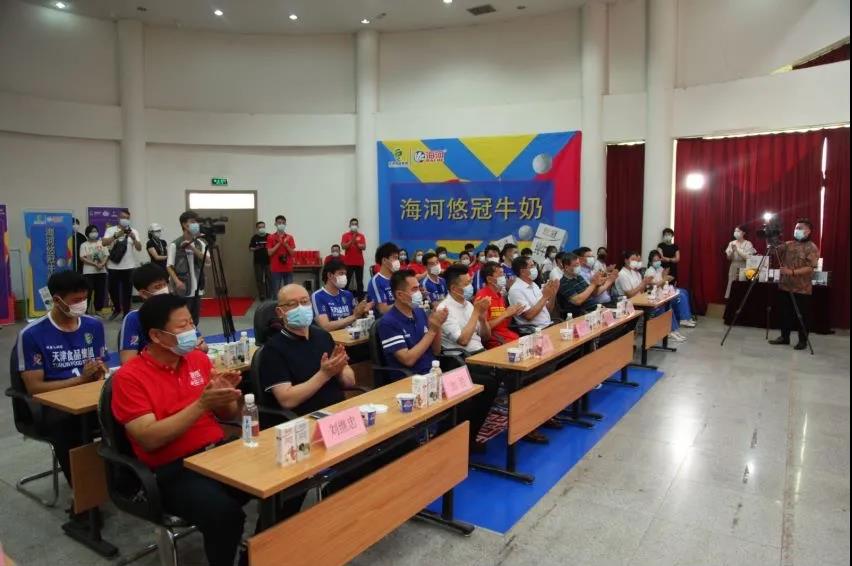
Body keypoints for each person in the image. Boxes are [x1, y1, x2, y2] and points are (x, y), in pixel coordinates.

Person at [110, 294, 248, 566]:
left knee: (281, 482)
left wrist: (226, 397)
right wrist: (201, 404)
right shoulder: (129, 377)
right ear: (156, 336)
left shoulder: (198, 360)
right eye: (182, 326)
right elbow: (149, 438)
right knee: (225, 514)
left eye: (192, 324)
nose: (191, 332)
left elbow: (229, 415)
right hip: (172, 469)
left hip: (215, 454)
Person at [17, 270, 108, 489]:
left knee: (125, 418)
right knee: (69, 430)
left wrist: (99, 371)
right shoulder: (32, 334)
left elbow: (102, 365)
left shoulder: (93, 325)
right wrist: (81, 380)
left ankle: (121, 482)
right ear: (57, 300)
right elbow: (34, 387)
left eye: (85, 298)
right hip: (54, 407)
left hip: (90, 399)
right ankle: (85, 495)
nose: (82, 304)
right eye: (76, 300)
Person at [437, 265, 500, 448]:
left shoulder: (470, 304)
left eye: (470, 281)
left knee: (507, 370)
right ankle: (464, 437)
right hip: (459, 360)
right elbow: (463, 340)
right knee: (490, 382)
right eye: (466, 283)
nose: (471, 286)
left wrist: (482, 319)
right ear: (454, 288)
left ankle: (472, 433)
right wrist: (476, 313)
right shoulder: (444, 309)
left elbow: (485, 336)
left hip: (479, 354)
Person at [120, 262, 208, 362]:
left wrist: (198, 346)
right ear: (144, 293)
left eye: (165, 284)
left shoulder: (177, 313)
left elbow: (203, 347)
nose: (164, 289)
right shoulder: (134, 318)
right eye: (158, 287)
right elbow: (128, 360)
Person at [376, 270, 447, 380]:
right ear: (400, 295)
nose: (419, 293)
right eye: (414, 289)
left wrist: (438, 324)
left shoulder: (420, 312)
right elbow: (408, 360)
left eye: (419, 288)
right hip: (409, 379)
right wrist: (432, 331)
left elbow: (436, 351)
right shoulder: (388, 322)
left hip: (432, 373)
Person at [770, 219, 819, 350]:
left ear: (808, 231)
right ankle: (784, 337)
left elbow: (810, 268)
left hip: (802, 288)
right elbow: (773, 251)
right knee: (785, 314)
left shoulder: (812, 247)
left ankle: (802, 341)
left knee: (802, 316)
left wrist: (791, 272)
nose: (796, 230)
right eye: (796, 227)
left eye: (800, 228)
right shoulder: (788, 244)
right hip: (785, 286)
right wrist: (771, 238)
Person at [616, 251, 686, 343]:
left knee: (667, 306)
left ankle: (672, 330)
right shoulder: (622, 274)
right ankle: (667, 331)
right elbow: (630, 294)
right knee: (661, 308)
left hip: (639, 300)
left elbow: (641, 291)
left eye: (637, 260)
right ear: (625, 260)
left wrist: (645, 284)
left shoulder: (636, 273)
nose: (636, 262)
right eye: (633, 259)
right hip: (628, 303)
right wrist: (644, 283)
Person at [167, 211, 208, 326]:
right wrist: (177, 282)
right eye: (193, 222)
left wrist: (192, 248)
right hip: (183, 287)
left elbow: (208, 261)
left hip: (198, 287)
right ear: (184, 225)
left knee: (195, 320)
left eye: (197, 222)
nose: (196, 224)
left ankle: (194, 336)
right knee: (182, 320)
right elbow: (169, 266)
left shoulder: (201, 243)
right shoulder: (175, 244)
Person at [311, 259, 374, 331]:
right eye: (341, 273)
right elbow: (325, 326)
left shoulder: (348, 294)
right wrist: (354, 316)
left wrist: (363, 311)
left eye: (345, 274)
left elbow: (356, 315)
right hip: (332, 336)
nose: (344, 277)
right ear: (330, 275)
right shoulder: (318, 296)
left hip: (350, 334)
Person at [102, 208, 142, 320]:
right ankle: (117, 308)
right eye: (123, 217)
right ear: (118, 218)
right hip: (113, 266)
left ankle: (126, 313)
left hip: (129, 267)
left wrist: (134, 238)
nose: (125, 220)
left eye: (127, 218)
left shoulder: (134, 231)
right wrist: (116, 235)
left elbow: (139, 248)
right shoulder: (110, 230)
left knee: (127, 291)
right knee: (112, 289)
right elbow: (104, 243)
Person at [474, 262, 524, 348]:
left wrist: (512, 313)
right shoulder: (483, 297)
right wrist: (505, 314)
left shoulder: (499, 295)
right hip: (495, 340)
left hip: (507, 335)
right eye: (500, 274)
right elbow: (484, 327)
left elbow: (504, 323)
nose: (504, 277)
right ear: (489, 279)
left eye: (503, 273)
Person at [646, 250, 696, 328]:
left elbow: (663, 282)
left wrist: (666, 278)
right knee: (681, 295)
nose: (657, 262)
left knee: (684, 291)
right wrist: (665, 279)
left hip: (663, 291)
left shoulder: (660, 268)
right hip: (656, 294)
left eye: (658, 260)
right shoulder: (649, 272)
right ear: (650, 262)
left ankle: (687, 317)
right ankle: (683, 319)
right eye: (655, 261)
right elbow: (653, 286)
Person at [508, 256, 559, 329]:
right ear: (522, 271)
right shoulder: (516, 290)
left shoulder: (534, 285)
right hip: (534, 330)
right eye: (531, 266)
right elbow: (529, 316)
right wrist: (545, 297)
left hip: (547, 325)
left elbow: (548, 310)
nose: (535, 268)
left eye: (534, 265)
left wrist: (553, 293)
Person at [557, 253, 610, 318]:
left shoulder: (579, 277)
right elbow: (578, 301)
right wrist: (593, 284)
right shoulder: (564, 283)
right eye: (576, 265)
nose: (578, 267)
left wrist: (597, 284)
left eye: (579, 264)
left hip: (595, 309)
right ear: (566, 268)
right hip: (582, 314)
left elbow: (593, 293)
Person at [79, 224, 108, 314]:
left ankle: (98, 310)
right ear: (87, 233)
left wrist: (102, 264)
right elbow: (82, 258)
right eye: (92, 231)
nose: (94, 233)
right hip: (88, 272)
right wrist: (95, 264)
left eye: (95, 231)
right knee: (88, 292)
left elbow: (106, 255)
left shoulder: (102, 243)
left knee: (100, 292)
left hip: (101, 271)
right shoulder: (84, 245)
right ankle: (85, 312)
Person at [367, 242, 401, 315]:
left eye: (398, 258)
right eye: (394, 258)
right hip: (385, 319)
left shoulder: (399, 278)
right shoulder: (376, 281)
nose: (397, 261)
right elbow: (383, 310)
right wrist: (403, 303)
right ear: (384, 260)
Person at [725, 225, 757, 298]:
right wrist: (731, 252)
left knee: (742, 285)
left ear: (743, 233)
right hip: (733, 266)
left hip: (744, 266)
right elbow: (728, 258)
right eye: (735, 231)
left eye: (738, 231)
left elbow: (748, 257)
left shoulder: (748, 243)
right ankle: (731, 300)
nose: (736, 232)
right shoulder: (731, 243)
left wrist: (737, 250)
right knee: (731, 283)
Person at [267, 215, 296, 292]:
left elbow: (293, 254)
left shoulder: (290, 237)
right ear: (275, 224)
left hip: (288, 268)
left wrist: (286, 244)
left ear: (285, 224)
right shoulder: (270, 237)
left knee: (289, 292)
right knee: (276, 292)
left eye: (283, 223)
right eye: (279, 223)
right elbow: (269, 253)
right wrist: (279, 243)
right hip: (275, 269)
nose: (281, 224)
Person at [341, 218, 367, 300]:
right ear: (349, 225)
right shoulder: (345, 235)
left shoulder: (361, 236)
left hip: (359, 262)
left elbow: (364, 247)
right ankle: (344, 299)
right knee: (346, 282)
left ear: (358, 226)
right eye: (352, 224)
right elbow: (343, 246)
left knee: (360, 283)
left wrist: (357, 243)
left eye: (355, 224)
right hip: (348, 263)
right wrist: (351, 241)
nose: (354, 225)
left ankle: (360, 300)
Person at [249, 221, 272, 301]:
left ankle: (270, 294)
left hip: (268, 261)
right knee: (259, 279)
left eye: (263, 227)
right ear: (257, 228)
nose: (262, 228)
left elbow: (273, 247)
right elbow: (250, 248)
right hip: (258, 262)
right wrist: (256, 248)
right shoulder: (254, 237)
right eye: (260, 227)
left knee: (270, 278)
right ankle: (262, 295)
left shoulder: (269, 236)